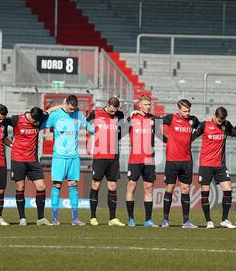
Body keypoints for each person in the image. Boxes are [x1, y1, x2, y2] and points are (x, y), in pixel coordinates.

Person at [3, 105, 63, 226]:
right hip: (18, 159)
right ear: (30, 115)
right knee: (20, 187)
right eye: (34, 121)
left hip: (33, 160)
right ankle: (22, 218)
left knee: (41, 186)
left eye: (38, 122)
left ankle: (40, 218)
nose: (36, 124)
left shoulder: (40, 117)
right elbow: (0, 119)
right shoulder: (16, 119)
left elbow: (50, 110)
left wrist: (64, 106)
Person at [45, 95, 94, 226]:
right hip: (59, 157)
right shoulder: (56, 115)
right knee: (57, 185)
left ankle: (75, 218)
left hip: (74, 157)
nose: (72, 111)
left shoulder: (78, 114)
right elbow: (42, 124)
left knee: (73, 185)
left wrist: (103, 132)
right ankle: (55, 218)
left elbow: (89, 127)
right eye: (70, 108)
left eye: (74, 109)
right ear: (65, 104)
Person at [193, 106, 236, 229]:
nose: (220, 123)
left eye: (222, 120)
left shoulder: (226, 125)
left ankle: (225, 219)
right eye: (219, 120)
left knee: (228, 189)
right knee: (205, 192)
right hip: (206, 164)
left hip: (220, 165)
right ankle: (208, 221)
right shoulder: (204, 125)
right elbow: (192, 137)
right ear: (214, 116)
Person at [86, 96, 125, 227]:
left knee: (113, 186)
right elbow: (86, 124)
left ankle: (112, 218)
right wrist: (96, 132)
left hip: (113, 156)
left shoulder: (119, 115)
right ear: (107, 104)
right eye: (112, 110)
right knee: (96, 185)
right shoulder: (96, 113)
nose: (114, 112)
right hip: (99, 155)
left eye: (116, 110)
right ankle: (93, 217)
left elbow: (122, 131)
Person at [125, 94, 164, 228]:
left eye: (149, 104)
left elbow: (160, 135)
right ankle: (131, 218)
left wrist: (171, 141)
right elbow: (120, 131)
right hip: (135, 158)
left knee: (149, 188)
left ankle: (148, 220)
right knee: (132, 186)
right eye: (146, 104)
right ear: (140, 104)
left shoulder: (154, 119)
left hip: (149, 159)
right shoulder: (132, 118)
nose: (148, 107)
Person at [160, 99, 200, 228]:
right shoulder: (171, 118)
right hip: (172, 160)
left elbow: (202, 128)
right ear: (179, 110)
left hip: (187, 160)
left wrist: (192, 138)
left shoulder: (193, 120)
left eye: (189, 110)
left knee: (185, 189)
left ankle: (186, 221)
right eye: (185, 111)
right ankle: (165, 220)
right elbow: (154, 120)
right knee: (170, 188)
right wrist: (166, 139)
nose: (187, 113)